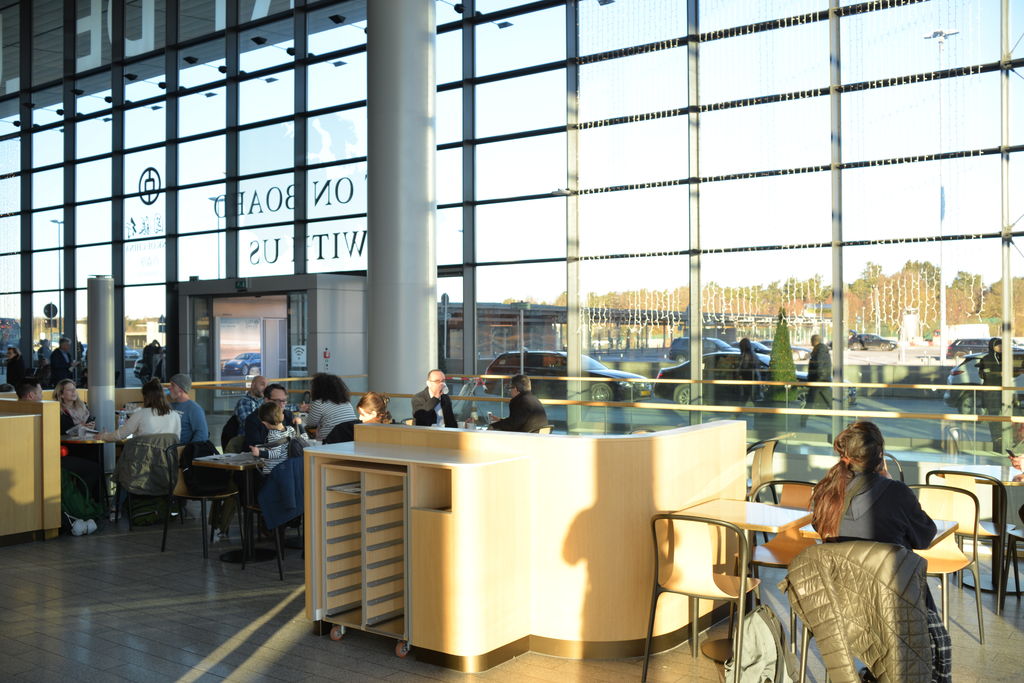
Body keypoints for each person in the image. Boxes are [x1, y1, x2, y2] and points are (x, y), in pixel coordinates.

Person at [810, 421, 935, 550]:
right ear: (880, 455)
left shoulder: (826, 490)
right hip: (887, 563)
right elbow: (924, 537)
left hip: (838, 563)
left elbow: (818, 526)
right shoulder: (898, 493)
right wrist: (889, 484)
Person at [97, 378, 180, 441]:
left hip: (143, 457)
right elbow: (176, 439)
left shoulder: (140, 414)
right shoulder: (175, 416)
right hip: (167, 457)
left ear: (146, 397)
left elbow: (120, 435)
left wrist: (103, 436)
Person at [300, 373, 356, 440]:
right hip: (348, 440)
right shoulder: (346, 402)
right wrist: (311, 409)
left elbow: (310, 423)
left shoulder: (319, 403)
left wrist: (300, 417)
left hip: (330, 441)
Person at [244, 382, 300, 448]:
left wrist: (299, 425)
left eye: (284, 400)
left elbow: (299, 439)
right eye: (277, 401)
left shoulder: (288, 415)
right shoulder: (253, 419)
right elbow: (256, 446)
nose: (281, 405)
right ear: (266, 400)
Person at [325, 392, 395, 444]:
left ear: (374, 414)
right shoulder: (347, 429)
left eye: (363, 415)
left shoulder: (393, 432)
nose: (360, 418)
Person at [249, 401, 297, 476]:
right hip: (286, 468)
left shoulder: (273, 434)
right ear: (283, 416)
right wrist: (299, 425)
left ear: (264, 423)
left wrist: (259, 453)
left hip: (273, 470)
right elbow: (304, 437)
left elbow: (276, 453)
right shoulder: (290, 429)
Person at [978, 337, 1004, 453]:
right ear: (992, 347)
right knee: (994, 417)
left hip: (1003, 392)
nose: (1000, 347)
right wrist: (999, 374)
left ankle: (1002, 440)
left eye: (1001, 345)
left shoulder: (1003, 358)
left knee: (1004, 416)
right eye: (998, 345)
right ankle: (997, 441)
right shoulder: (987, 359)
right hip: (991, 392)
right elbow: (984, 374)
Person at [168, 373, 209, 444]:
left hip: (182, 448)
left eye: (172, 385)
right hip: (168, 447)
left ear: (181, 389)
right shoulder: (170, 405)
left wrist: (188, 449)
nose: (169, 387)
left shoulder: (194, 409)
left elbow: (202, 434)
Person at [805, 334, 833, 416]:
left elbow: (819, 365)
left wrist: (817, 378)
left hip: (819, 380)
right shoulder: (820, 349)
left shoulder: (819, 350)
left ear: (814, 341)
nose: (810, 342)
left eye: (811, 340)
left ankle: (803, 418)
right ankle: (838, 414)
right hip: (822, 379)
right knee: (827, 399)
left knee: (810, 400)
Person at [736, 337, 760, 404]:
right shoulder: (752, 354)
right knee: (750, 396)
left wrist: (739, 372)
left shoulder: (746, 355)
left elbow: (745, 367)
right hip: (753, 378)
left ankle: (740, 409)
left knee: (746, 396)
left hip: (748, 378)